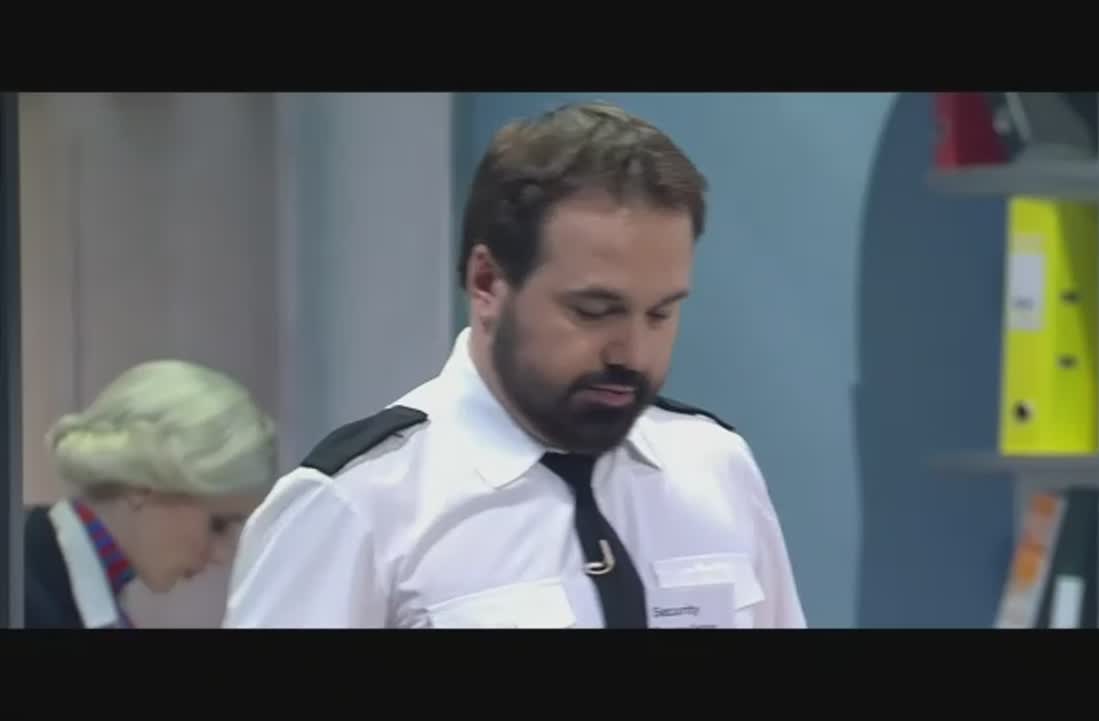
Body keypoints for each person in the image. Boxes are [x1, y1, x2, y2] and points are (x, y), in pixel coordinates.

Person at [224, 101, 806, 629]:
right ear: (487, 283)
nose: (632, 354)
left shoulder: (715, 469)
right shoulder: (357, 507)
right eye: (594, 311)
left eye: (661, 314)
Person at [23, 359, 277, 628]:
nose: (222, 555)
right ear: (141, 486)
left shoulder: (56, 582)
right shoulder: (25, 595)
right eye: (217, 525)